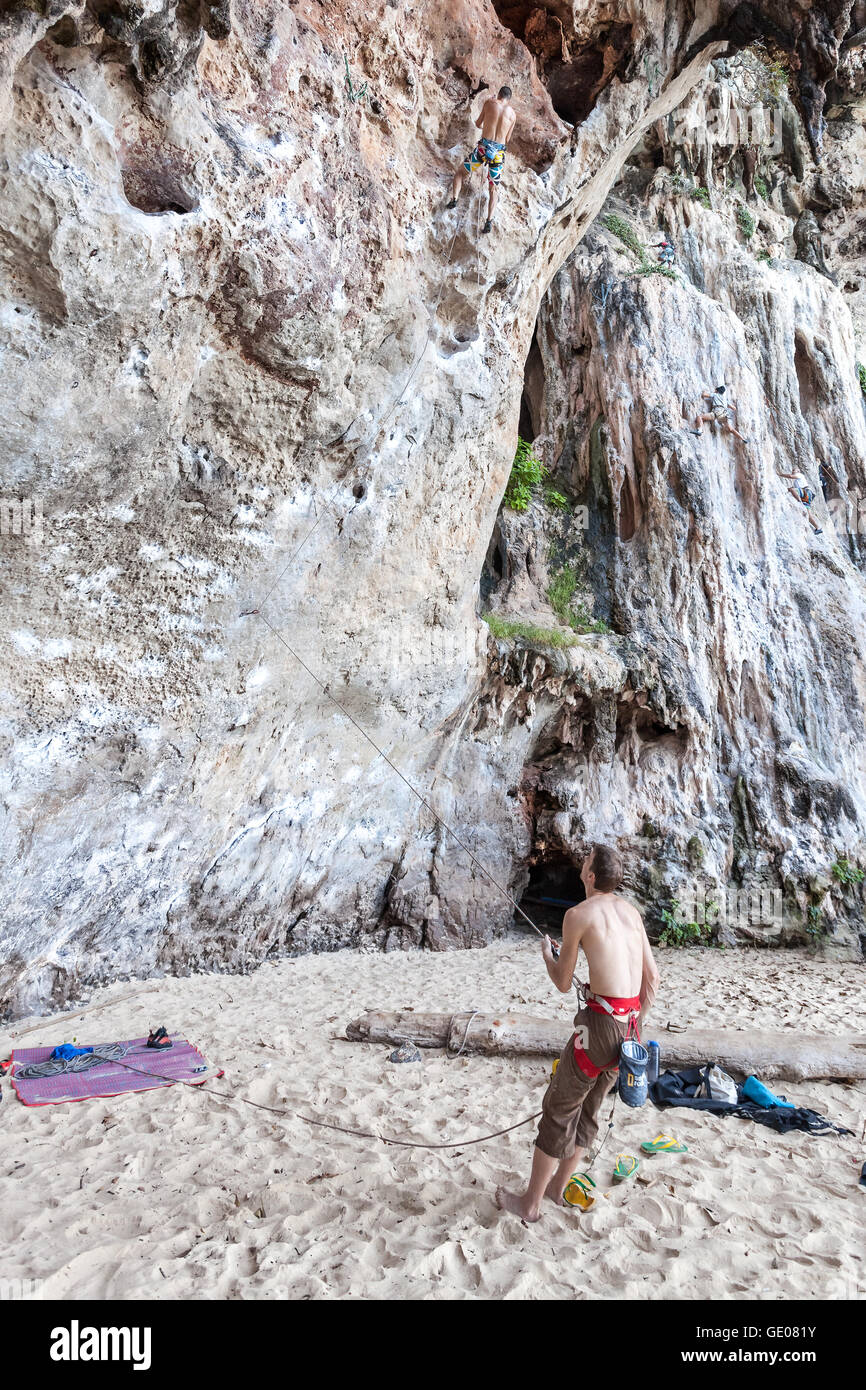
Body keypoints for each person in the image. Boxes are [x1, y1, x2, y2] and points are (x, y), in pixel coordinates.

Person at [495, 844, 660, 1223]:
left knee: (560, 1107)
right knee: (590, 1109)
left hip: (598, 1028)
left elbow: (563, 982)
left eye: (584, 863)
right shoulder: (632, 913)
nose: (581, 866)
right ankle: (557, 1188)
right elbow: (652, 978)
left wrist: (547, 956)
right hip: (631, 1030)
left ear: (590, 875)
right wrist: (632, 1024)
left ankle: (530, 1204)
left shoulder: (577, 915)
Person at [446, 85, 516, 234]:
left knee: (460, 173)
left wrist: (488, 124)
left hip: (483, 150)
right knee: (493, 189)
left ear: (498, 95)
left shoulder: (490, 103)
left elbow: (478, 124)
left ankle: (454, 199)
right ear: (509, 99)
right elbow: (507, 139)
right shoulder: (512, 114)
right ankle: (488, 221)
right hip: (497, 155)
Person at [778, 468, 823, 533]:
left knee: (792, 489)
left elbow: (790, 476)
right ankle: (818, 528)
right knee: (807, 514)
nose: (793, 471)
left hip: (806, 492)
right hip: (806, 493)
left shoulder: (800, 475)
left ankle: (800, 502)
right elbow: (792, 489)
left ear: (798, 471)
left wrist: (780, 474)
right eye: (792, 470)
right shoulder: (796, 482)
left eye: (794, 470)